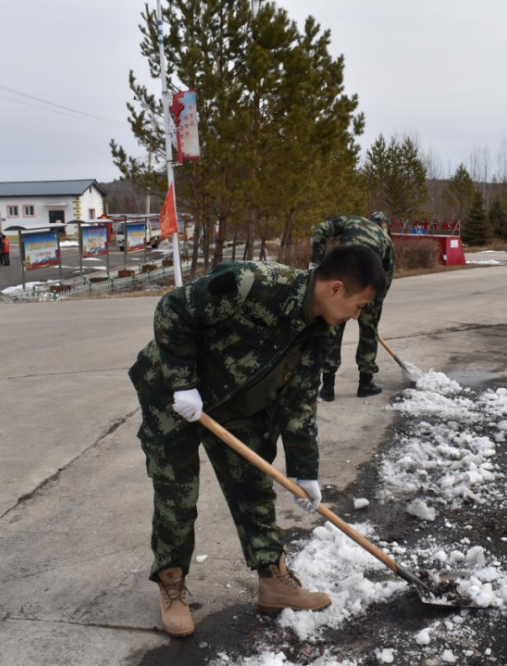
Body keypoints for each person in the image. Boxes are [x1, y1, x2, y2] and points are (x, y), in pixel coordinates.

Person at [129, 245, 387, 638]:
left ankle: (273, 582)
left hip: (235, 405)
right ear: (336, 288)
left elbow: (300, 403)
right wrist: (183, 384)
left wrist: (305, 472)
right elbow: (172, 309)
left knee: (253, 487)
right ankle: (172, 584)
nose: (358, 315)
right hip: (171, 394)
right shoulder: (255, 283)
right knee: (177, 493)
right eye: (359, 304)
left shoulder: (320, 331)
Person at [309, 212, 395, 401]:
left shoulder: (351, 220)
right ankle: (365, 384)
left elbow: (321, 229)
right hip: (368, 290)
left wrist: (315, 265)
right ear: (384, 225)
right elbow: (386, 277)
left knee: (333, 331)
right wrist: (375, 304)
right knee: (368, 336)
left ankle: (327, 387)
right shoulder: (386, 240)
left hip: (342, 282)